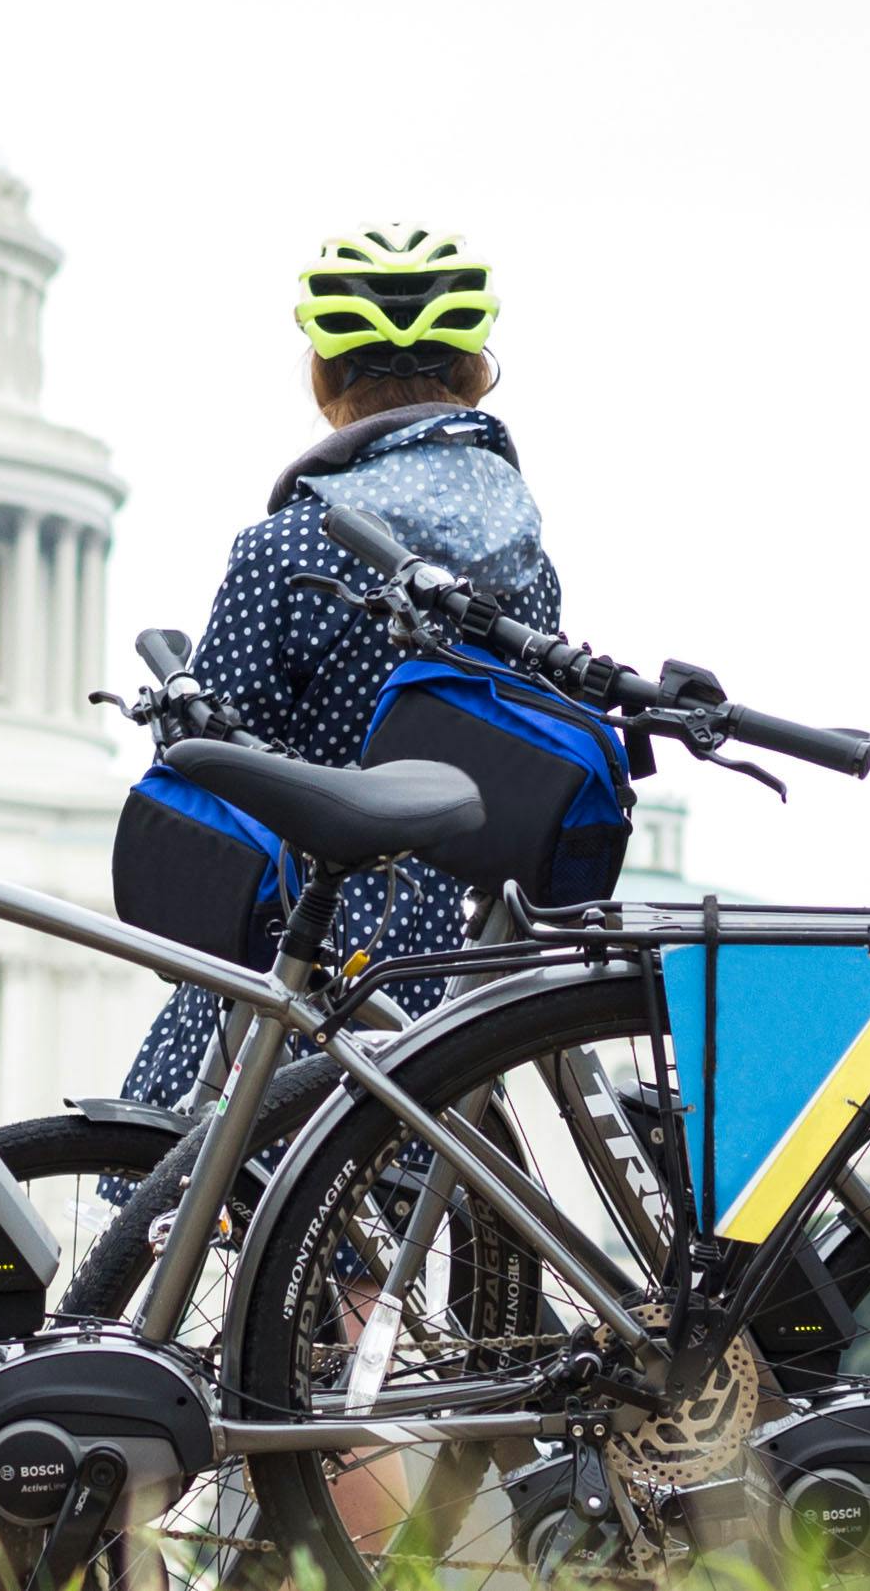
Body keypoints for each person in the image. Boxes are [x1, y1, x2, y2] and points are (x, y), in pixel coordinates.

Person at [118, 226, 561, 1105]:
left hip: (302, 949)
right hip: (458, 972)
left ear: (324, 382)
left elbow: (217, 773)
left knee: (162, 1193)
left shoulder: (284, 550)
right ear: (473, 378)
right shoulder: (527, 561)